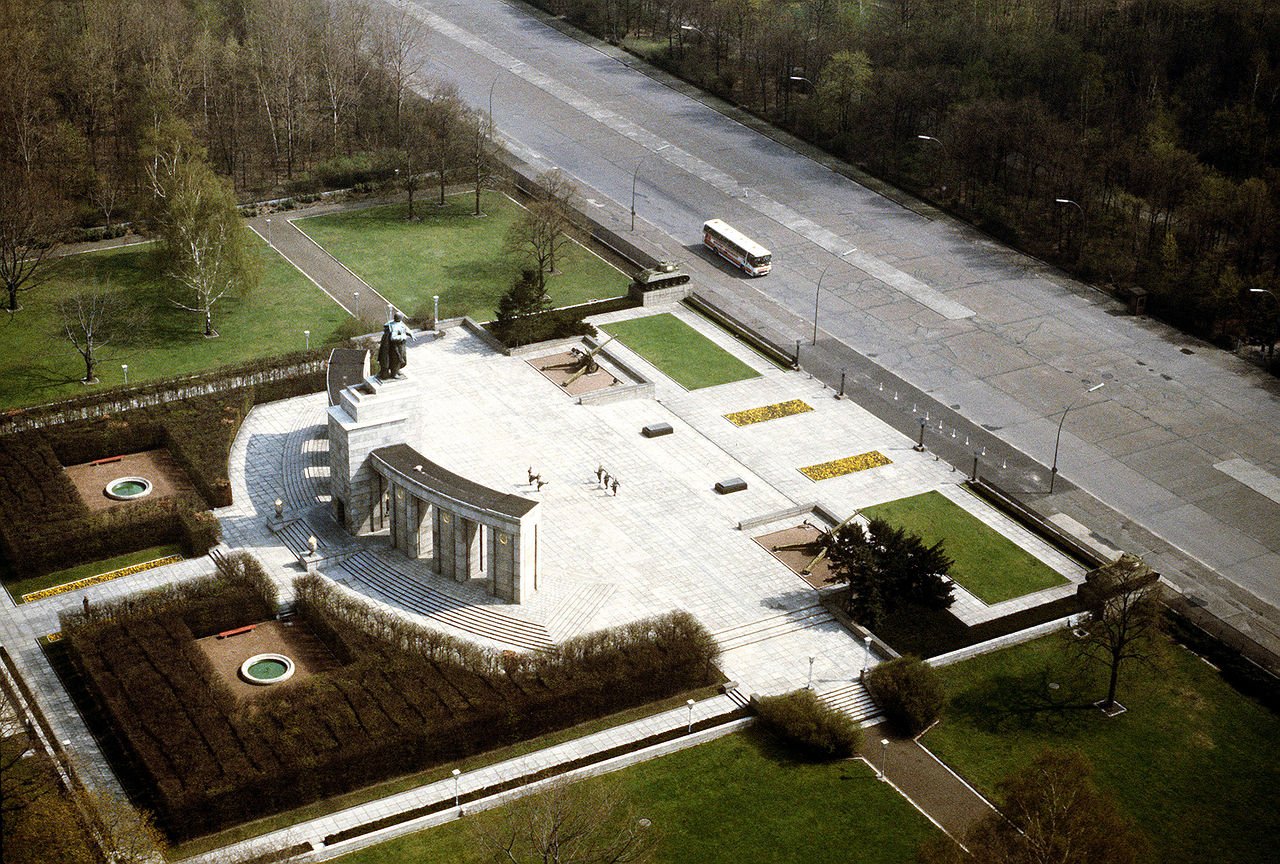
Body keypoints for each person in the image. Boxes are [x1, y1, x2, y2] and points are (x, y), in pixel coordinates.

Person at [378, 312, 411, 379]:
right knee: (397, 358)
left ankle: (396, 371)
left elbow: (404, 328)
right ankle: (394, 373)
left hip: (393, 345)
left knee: (397, 358)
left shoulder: (394, 324)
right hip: (395, 346)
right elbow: (393, 337)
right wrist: (402, 336)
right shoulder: (395, 327)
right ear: (400, 318)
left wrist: (410, 334)